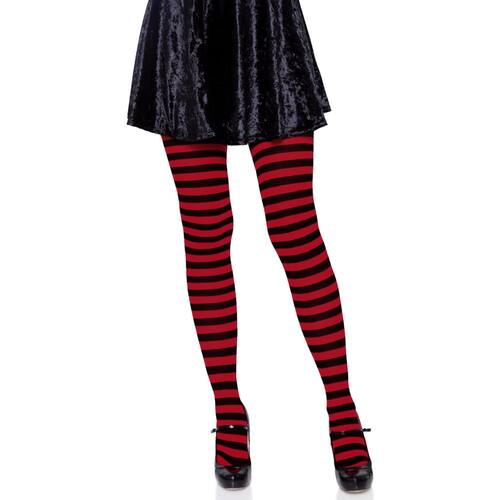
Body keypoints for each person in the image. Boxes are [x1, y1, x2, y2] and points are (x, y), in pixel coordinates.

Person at [127, 0, 373, 492]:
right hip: (182, 31)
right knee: (205, 231)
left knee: (295, 228)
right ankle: (228, 411)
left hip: (266, 26)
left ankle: (342, 407)